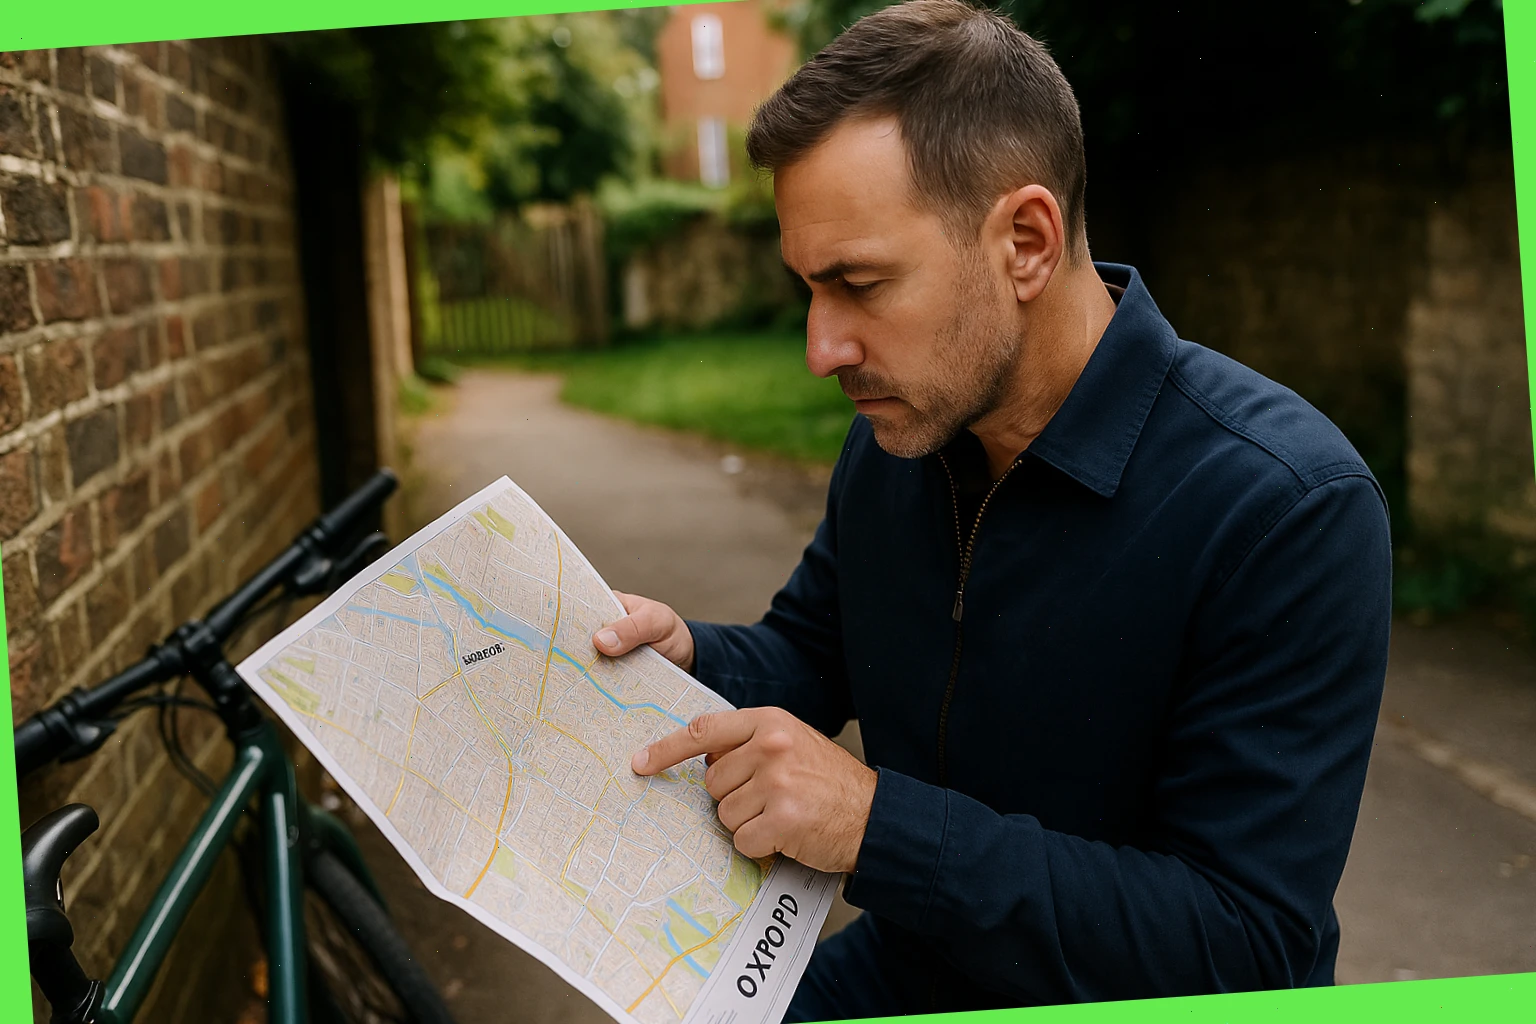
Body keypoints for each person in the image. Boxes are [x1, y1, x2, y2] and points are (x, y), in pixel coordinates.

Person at [591, 1, 1392, 1018]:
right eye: (806, 287)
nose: (820, 347)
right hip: (915, 966)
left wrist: (876, 828)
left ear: (1024, 240)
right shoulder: (902, 433)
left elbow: (1244, 946)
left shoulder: (1286, 506)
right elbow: (812, 647)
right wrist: (691, 657)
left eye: (859, 283)